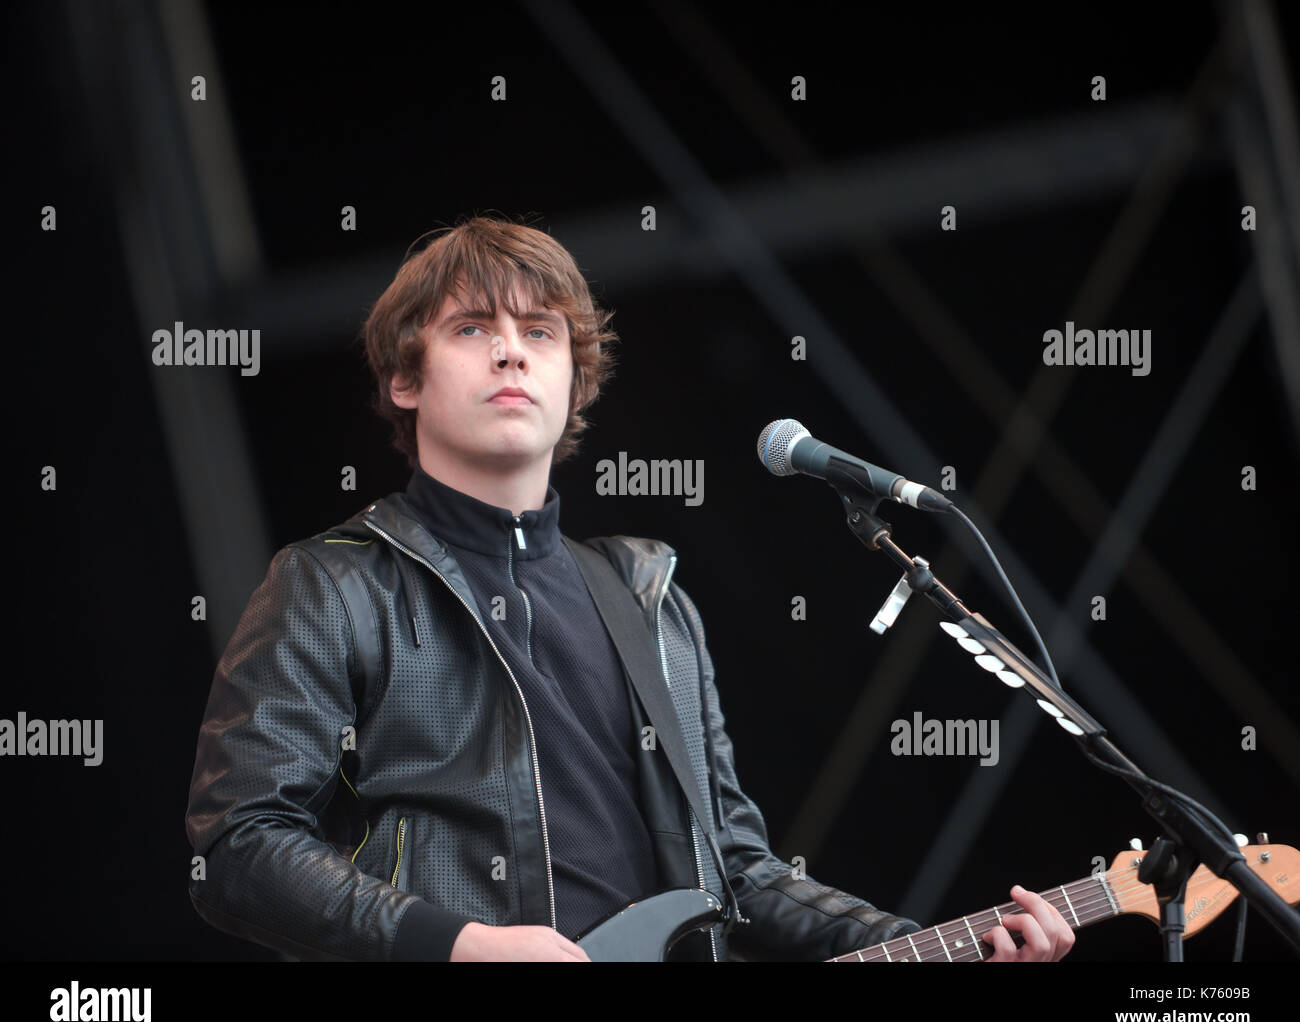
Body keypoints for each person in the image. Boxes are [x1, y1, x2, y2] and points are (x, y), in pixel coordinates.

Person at [184, 216, 1075, 963]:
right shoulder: (334, 582)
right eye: (471, 329)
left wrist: (937, 942)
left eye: (540, 333)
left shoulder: (647, 598)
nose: (510, 352)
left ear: (576, 381)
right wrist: (457, 944)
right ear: (404, 380)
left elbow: (736, 870)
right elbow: (241, 845)